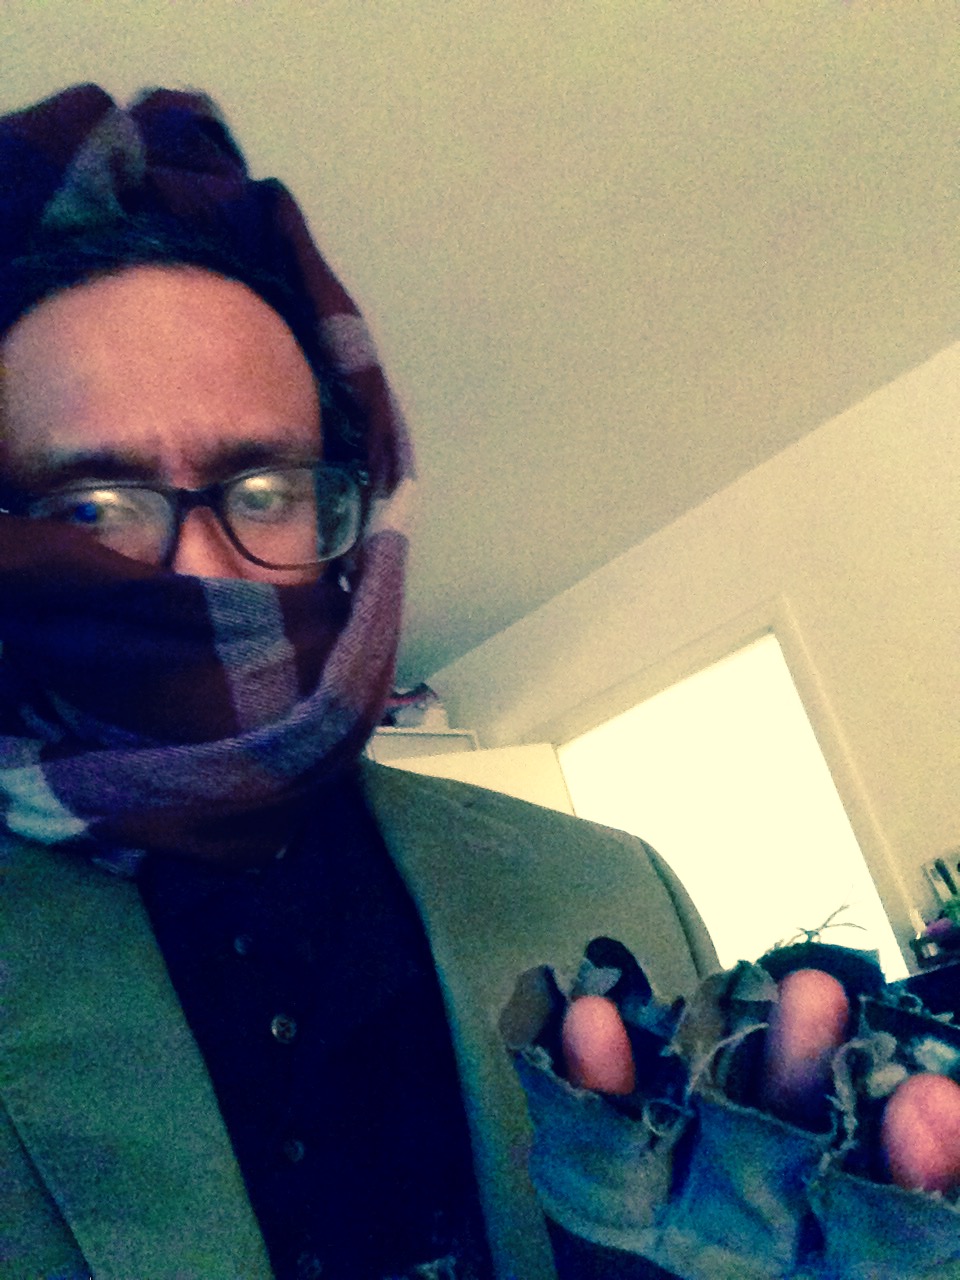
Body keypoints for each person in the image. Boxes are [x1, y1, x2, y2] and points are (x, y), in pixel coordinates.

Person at [1, 84, 958, 1280]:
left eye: (266, 490)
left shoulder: (612, 885)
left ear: (347, 508)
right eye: (92, 507)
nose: (199, 568)